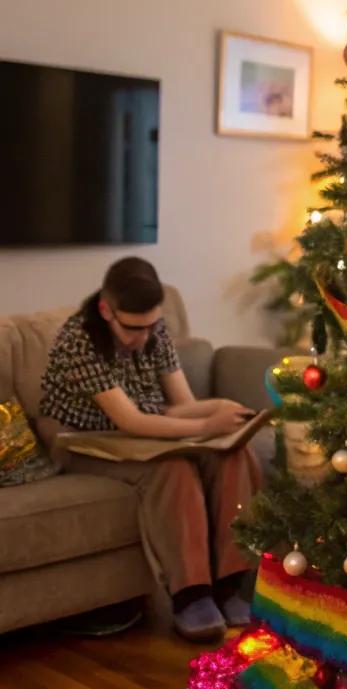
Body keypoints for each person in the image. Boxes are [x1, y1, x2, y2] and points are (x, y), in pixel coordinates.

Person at [38, 257, 262, 643]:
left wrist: (219, 409)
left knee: (233, 454)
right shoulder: (80, 339)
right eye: (132, 328)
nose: (142, 337)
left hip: (143, 432)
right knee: (173, 469)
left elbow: (181, 404)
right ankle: (191, 595)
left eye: (149, 326)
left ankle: (232, 582)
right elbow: (129, 422)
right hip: (86, 442)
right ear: (107, 310)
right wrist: (205, 426)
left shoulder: (154, 331)